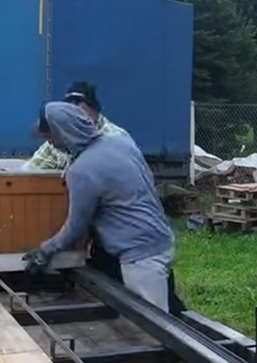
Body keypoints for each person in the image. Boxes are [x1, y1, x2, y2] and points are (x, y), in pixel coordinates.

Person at [23, 101, 177, 314]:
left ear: (63, 132)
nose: (50, 143)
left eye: (50, 137)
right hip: (161, 238)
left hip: (139, 256)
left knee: (157, 326)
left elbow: (76, 227)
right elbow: (147, 182)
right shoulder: (121, 143)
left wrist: (45, 250)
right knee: (164, 310)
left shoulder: (82, 170)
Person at [27, 82, 131, 171]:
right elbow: (31, 172)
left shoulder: (115, 138)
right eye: (68, 107)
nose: (73, 111)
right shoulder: (60, 137)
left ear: (94, 108)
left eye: (78, 105)